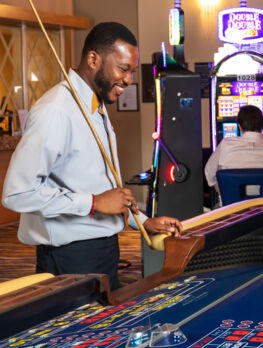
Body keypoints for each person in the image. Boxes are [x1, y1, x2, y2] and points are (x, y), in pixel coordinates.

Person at [2, 22, 183, 290]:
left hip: (102, 249)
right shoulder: (55, 111)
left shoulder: (94, 106)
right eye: (123, 69)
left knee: (105, 329)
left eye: (131, 71)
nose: (129, 80)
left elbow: (103, 189)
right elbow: (17, 192)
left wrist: (144, 222)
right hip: (71, 257)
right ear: (93, 59)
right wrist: (92, 203)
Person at [204, 105, 263, 188]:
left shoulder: (225, 145)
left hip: (234, 202)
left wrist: (223, 193)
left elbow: (209, 173)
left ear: (239, 126)